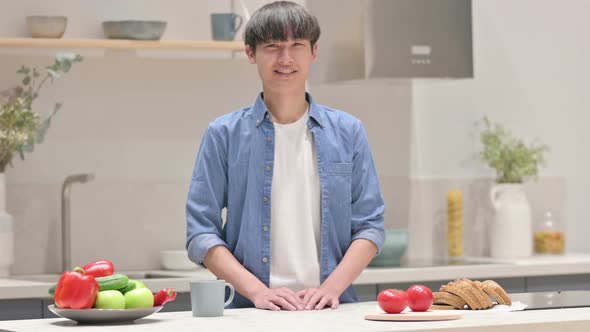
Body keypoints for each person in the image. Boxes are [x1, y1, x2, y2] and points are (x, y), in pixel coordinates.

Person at [186, 1, 385, 311]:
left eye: (297, 45)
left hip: (332, 310)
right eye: (272, 46)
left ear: (314, 52)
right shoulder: (222, 135)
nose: (286, 58)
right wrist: (258, 292)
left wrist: (331, 288)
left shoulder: (349, 132)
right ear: (251, 53)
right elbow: (200, 232)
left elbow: (370, 226)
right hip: (252, 312)